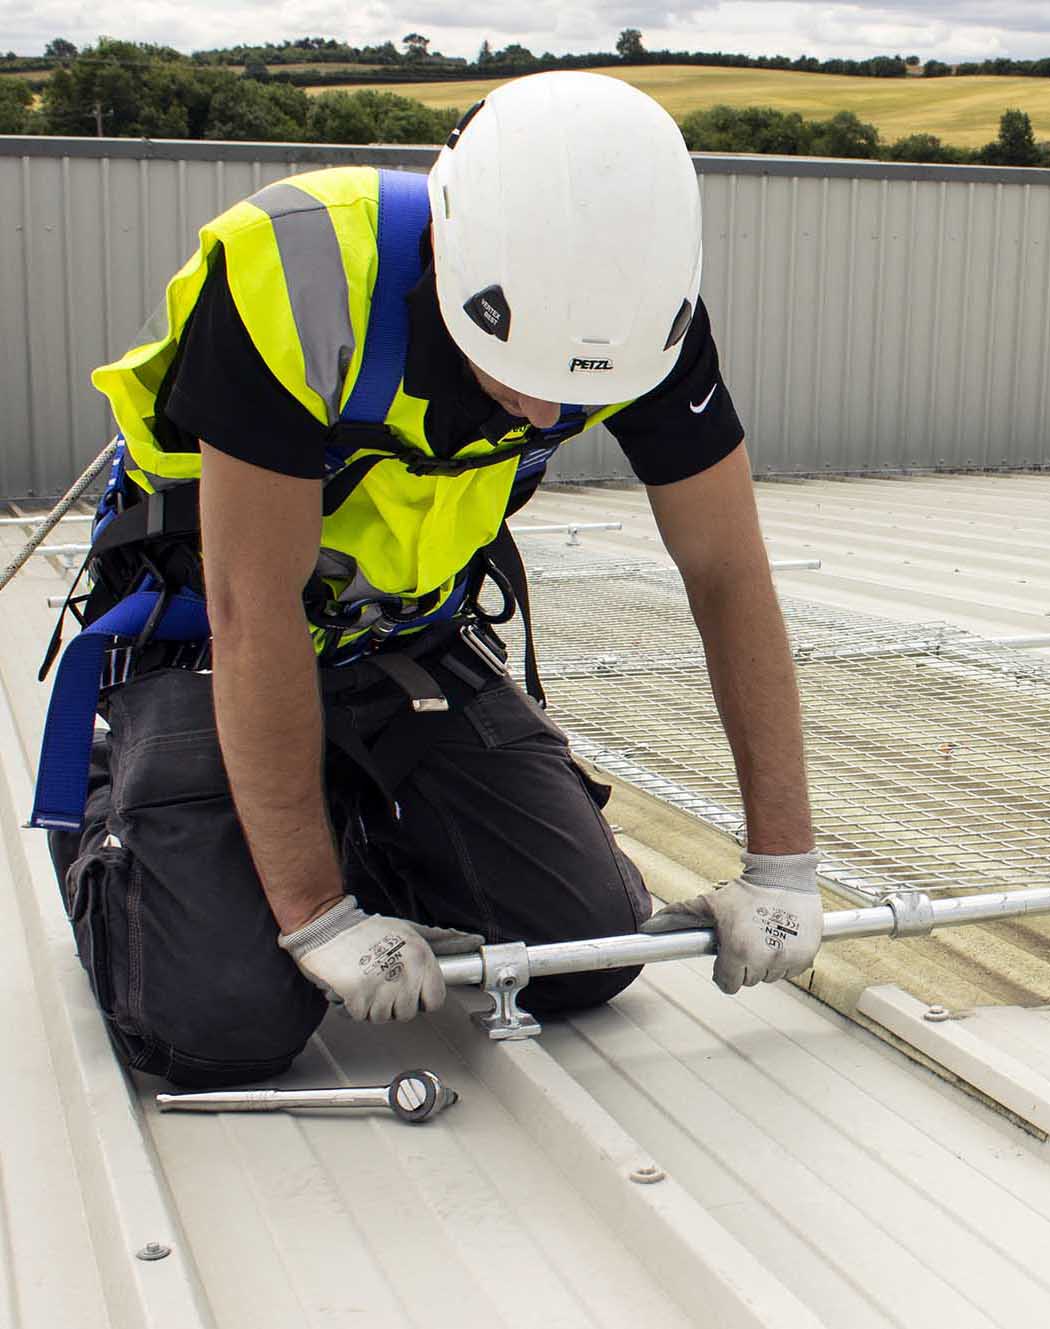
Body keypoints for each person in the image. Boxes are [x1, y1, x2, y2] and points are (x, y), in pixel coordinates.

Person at [34, 71, 820, 1089]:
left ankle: (341, 816)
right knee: (220, 1024)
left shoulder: (636, 309)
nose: (546, 418)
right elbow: (251, 608)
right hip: (207, 642)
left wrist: (783, 864)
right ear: (451, 254)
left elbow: (726, 571)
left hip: (400, 640)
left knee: (582, 952)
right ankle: (126, 801)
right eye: (519, 373)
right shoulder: (298, 273)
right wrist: (317, 915)